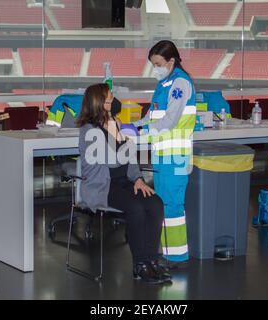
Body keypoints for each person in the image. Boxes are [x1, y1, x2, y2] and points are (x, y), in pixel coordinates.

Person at [77, 83, 171, 285]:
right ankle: (140, 266)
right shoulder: (88, 131)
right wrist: (116, 133)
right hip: (102, 185)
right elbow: (112, 160)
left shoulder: (115, 122)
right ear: (98, 102)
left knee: (155, 203)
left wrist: (138, 179)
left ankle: (151, 260)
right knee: (136, 208)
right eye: (109, 97)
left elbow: (130, 157)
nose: (113, 100)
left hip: (125, 181)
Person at [134, 40, 197, 266]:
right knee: (164, 203)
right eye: (153, 64)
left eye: (158, 63)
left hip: (176, 155)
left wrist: (142, 133)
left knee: (172, 205)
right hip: (163, 155)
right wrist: (132, 127)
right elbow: (152, 116)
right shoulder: (163, 84)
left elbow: (169, 120)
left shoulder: (180, 83)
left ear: (171, 61)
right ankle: (169, 251)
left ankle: (176, 256)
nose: (156, 68)